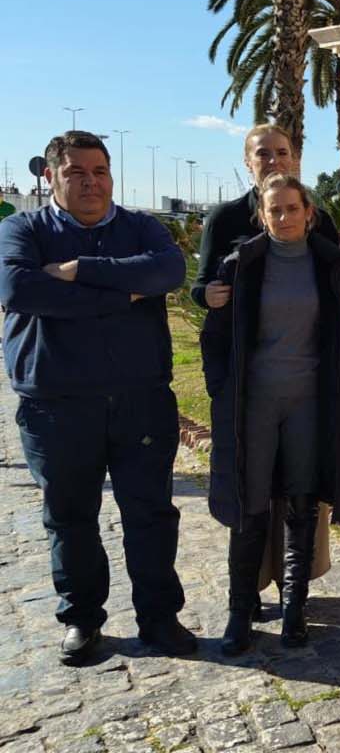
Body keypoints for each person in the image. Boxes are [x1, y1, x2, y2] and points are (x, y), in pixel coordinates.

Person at [0, 131, 193, 665]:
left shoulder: (141, 226)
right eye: (77, 173)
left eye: (100, 172)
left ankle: (160, 617)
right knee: (70, 516)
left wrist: (81, 272)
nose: (91, 183)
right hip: (56, 404)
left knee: (150, 514)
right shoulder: (21, 230)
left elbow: (168, 271)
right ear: (51, 176)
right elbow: (19, 291)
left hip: (140, 400)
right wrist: (123, 294)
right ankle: (82, 620)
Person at [202, 174, 340, 654]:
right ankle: (239, 613)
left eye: (293, 209)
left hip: (308, 402)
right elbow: (215, 337)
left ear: (309, 212)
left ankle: (295, 609)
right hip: (255, 402)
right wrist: (222, 390)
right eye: (275, 210)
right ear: (262, 215)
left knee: (301, 502)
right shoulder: (242, 265)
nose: (285, 217)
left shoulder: (332, 264)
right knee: (248, 504)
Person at [192, 124, 340, 310]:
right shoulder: (224, 217)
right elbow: (200, 285)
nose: (273, 161)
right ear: (248, 162)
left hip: (306, 335)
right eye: (263, 154)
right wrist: (206, 295)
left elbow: (339, 275)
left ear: (293, 159)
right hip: (244, 336)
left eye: (282, 153)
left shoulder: (318, 219)